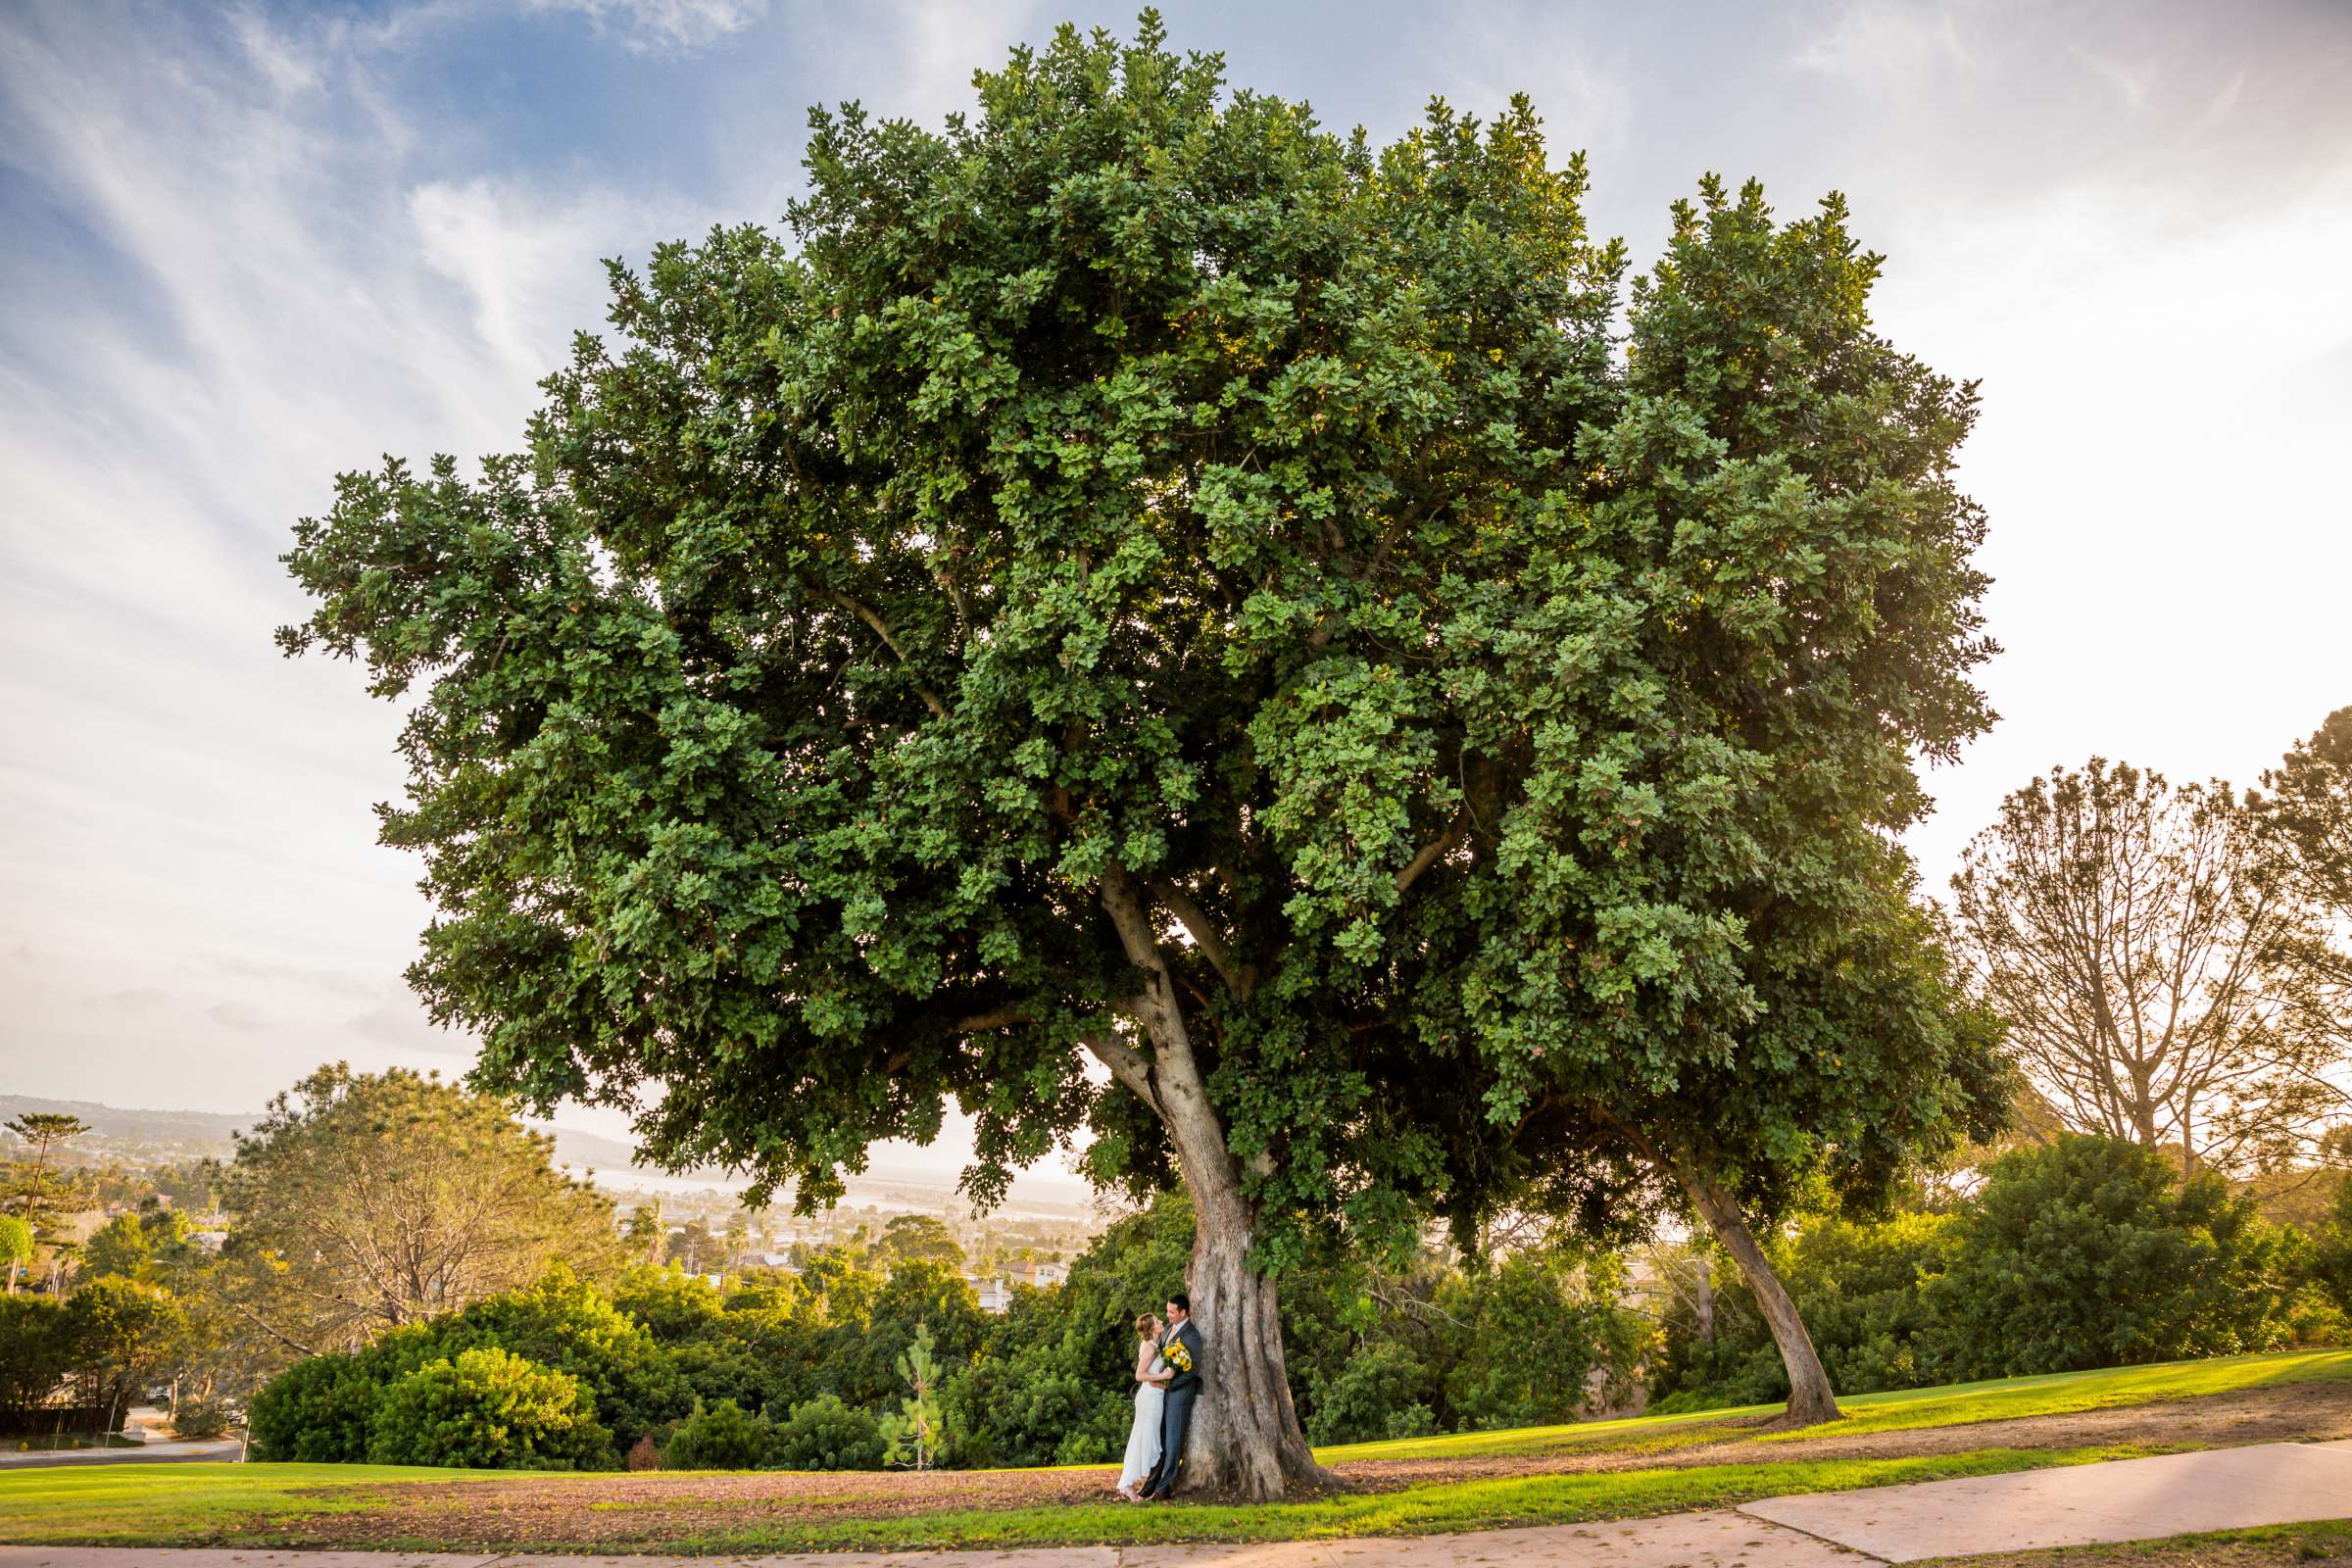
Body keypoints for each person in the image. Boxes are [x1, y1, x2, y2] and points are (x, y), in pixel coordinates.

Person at [1137, 1292, 1202, 1500]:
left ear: (1183, 1312)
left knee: (1173, 1442)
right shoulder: (1166, 1330)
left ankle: (1164, 1488)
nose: (1168, 1315)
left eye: (1172, 1312)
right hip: (1161, 1395)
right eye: (1167, 1310)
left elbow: (1192, 1371)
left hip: (1179, 1394)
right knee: (1159, 1441)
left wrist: (1169, 1384)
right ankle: (1151, 1484)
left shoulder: (1192, 1336)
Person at [1115, 1312, 1169, 1498]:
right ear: (1151, 1328)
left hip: (1155, 1395)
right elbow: (1140, 1375)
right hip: (1150, 1399)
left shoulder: (1155, 1345)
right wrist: (1163, 1377)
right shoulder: (1149, 1348)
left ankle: (1128, 1485)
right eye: (1157, 1321)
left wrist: (1162, 1383)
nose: (1161, 1322)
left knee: (1144, 1439)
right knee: (1143, 1440)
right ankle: (1128, 1485)